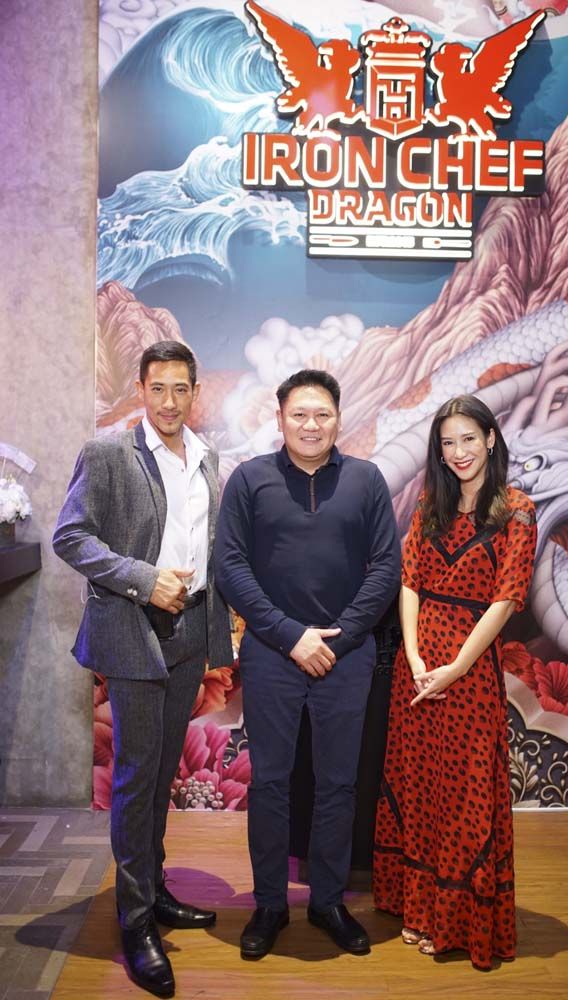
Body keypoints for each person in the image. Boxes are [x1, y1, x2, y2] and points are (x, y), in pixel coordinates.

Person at [53, 340, 233, 998]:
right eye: (157, 388)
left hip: (190, 631)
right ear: (141, 388)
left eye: (180, 389)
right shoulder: (107, 454)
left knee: (159, 776)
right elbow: (70, 535)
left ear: (195, 392)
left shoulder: (207, 458)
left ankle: (153, 890)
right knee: (134, 777)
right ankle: (134, 923)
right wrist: (142, 578)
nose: (169, 401)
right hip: (133, 630)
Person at [214, 368, 401, 959]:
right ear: (280, 418)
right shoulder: (250, 479)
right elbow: (230, 567)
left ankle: (327, 901)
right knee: (269, 783)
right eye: (299, 414)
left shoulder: (367, 480)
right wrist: (291, 637)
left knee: (339, 784)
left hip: (346, 657)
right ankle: (270, 904)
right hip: (272, 655)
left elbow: (385, 569)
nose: (311, 425)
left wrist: (337, 642)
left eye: (322, 414)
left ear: (339, 418)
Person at [373, 394, 537, 971]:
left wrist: (457, 666)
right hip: (416, 672)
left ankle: (457, 920)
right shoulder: (429, 504)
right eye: (448, 442)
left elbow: (505, 600)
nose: (459, 451)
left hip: (469, 673)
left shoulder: (516, 510)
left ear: (490, 439)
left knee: (465, 794)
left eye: (469, 438)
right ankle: (419, 910)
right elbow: (409, 581)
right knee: (418, 788)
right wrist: (414, 655)